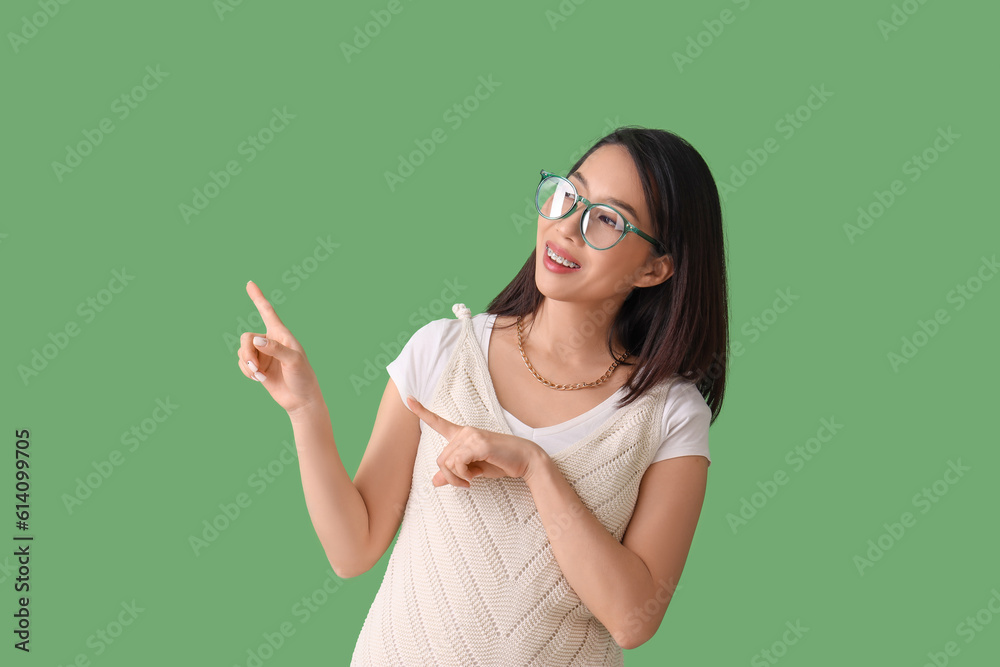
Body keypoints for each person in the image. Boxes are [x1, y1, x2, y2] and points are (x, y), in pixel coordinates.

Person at [236, 125, 729, 665]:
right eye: (570, 195)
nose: (566, 227)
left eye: (607, 219)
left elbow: (633, 619)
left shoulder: (669, 415)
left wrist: (537, 469)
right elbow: (354, 549)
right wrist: (305, 408)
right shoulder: (444, 352)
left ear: (655, 268)